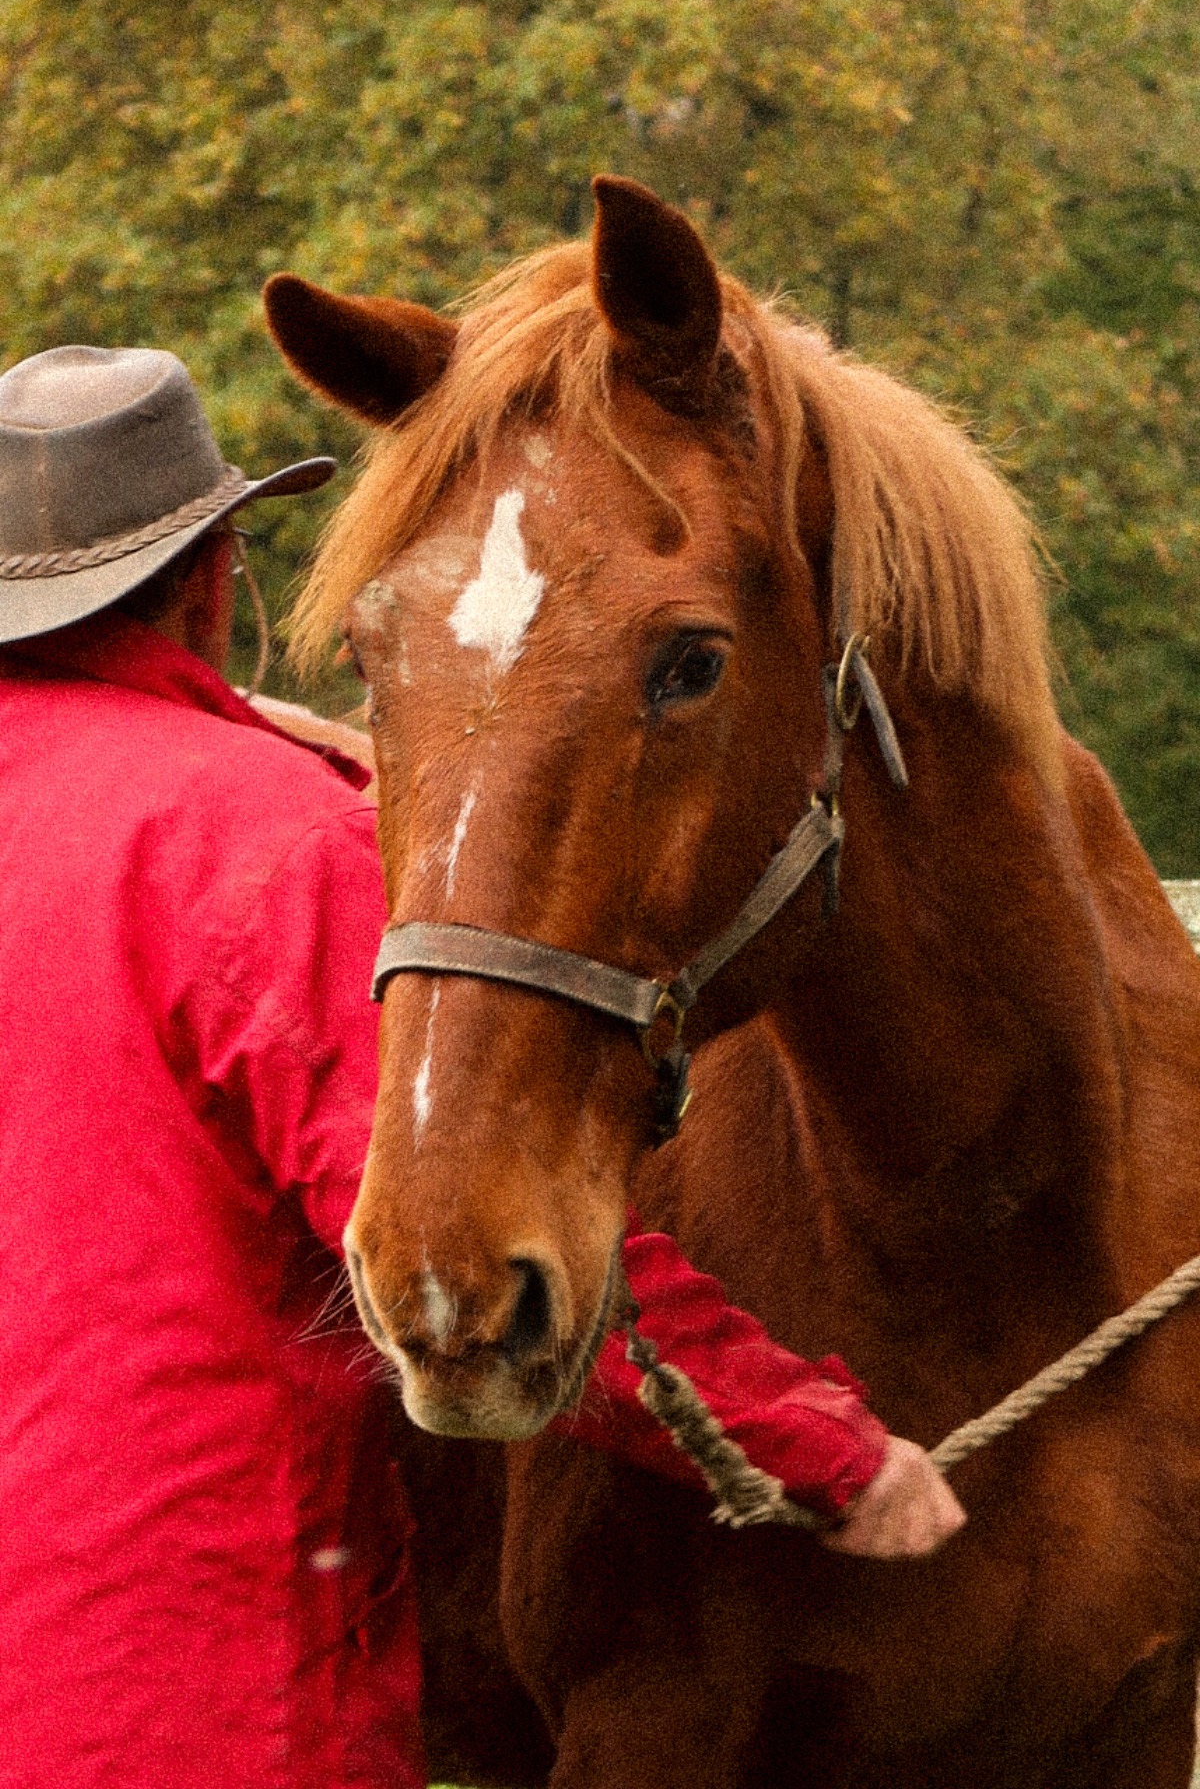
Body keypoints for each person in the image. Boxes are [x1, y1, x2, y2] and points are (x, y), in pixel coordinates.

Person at [0, 345, 964, 1789]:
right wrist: (828, 1452)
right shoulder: (265, 843)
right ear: (215, 573)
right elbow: (463, 1250)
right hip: (180, 1681)